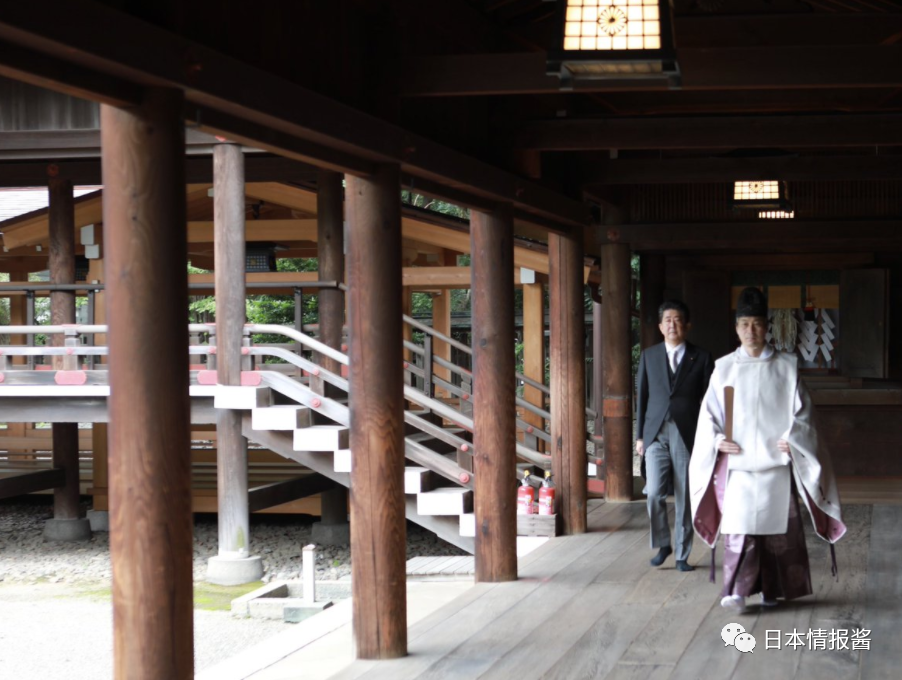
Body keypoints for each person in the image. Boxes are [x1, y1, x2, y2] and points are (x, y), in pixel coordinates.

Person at [689, 287, 846, 613]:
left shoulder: (786, 367)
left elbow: (804, 414)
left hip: (776, 465)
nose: (751, 331)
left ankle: (773, 590)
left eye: (757, 324)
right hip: (740, 466)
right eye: (744, 324)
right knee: (740, 529)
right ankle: (736, 591)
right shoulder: (724, 368)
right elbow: (709, 416)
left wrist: (796, 439)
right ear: (736, 328)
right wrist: (717, 440)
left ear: (767, 326)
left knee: (778, 534)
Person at [636, 300, 714, 572]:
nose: (672, 324)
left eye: (677, 319)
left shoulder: (701, 357)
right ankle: (663, 543)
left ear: (687, 325)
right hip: (655, 432)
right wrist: (639, 437)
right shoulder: (648, 356)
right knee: (654, 492)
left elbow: (709, 401)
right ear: (660, 326)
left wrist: (708, 436)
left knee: (684, 495)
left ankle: (682, 554)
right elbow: (642, 398)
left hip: (687, 431)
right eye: (667, 320)